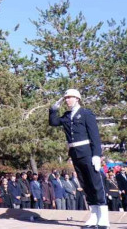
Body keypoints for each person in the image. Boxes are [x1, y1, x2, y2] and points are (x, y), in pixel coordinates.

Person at [50, 88, 108, 228]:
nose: (67, 100)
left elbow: (94, 135)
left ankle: (104, 218)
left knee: (95, 184)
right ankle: (94, 216)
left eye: (70, 97)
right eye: (66, 98)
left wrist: (96, 155)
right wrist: (53, 109)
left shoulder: (86, 114)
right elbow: (54, 122)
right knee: (85, 184)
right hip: (75, 154)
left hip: (87, 153)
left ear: (77, 99)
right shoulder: (67, 115)